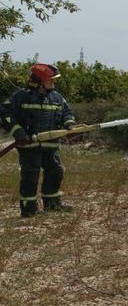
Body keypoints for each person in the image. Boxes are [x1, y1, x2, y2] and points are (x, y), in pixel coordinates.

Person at [7, 63, 77, 217]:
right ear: (38, 80)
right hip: (29, 145)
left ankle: (52, 205)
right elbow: (5, 115)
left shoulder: (57, 97)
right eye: (51, 79)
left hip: (51, 146)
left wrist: (70, 125)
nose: (54, 82)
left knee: (55, 172)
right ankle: (29, 210)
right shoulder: (20, 96)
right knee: (30, 176)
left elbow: (67, 113)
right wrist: (18, 132)